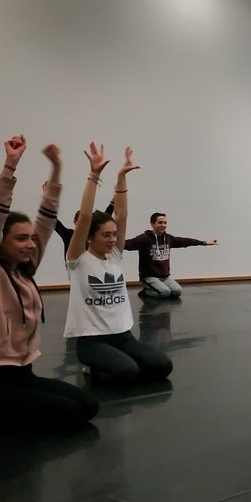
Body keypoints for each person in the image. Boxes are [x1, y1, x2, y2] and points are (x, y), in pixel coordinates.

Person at [0, 136, 98, 427]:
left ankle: (5, 409)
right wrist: (10, 166)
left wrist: (57, 168)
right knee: (71, 414)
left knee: (88, 405)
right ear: (0, 242)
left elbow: (47, 222)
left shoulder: (24, 271)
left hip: (23, 375)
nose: (30, 244)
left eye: (30, 238)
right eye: (21, 238)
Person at [64, 144, 174, 384]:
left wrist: (122, 177)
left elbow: (122, 215)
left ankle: (117, 360)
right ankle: (92, 367)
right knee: (128, 372)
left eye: (114, 235)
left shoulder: (114, 255)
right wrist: (94, 175)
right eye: (106, 235)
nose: (113, 239)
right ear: (90, 236)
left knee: (163, 366)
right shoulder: (78, 260)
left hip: (122, 337)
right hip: (92, 340)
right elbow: (84, 217)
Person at [124, 212, 218, 298]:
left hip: (165, 277)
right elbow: (128, 244)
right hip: (149, 277)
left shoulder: (168, 238)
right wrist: (112, 243)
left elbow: (185, 241)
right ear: (152, 224)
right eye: (160, 222)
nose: (163, 225)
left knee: (177, 291)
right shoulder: (144, 239)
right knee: (164, 292)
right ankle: (145, 292)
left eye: (165, 223)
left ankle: (157, 287)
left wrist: (204, 242)